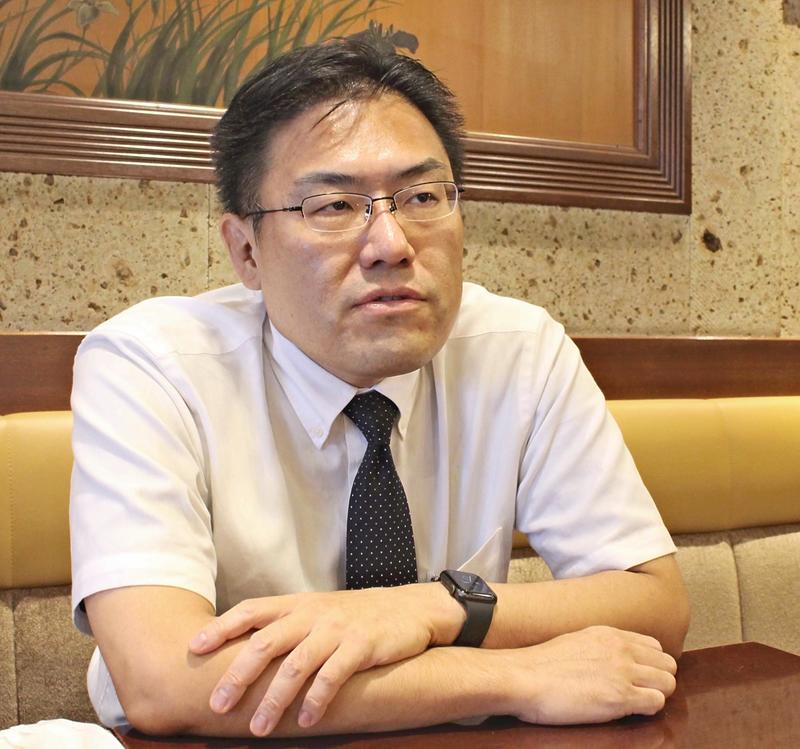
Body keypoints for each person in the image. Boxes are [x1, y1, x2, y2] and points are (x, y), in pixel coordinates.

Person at [69, 39, 689, 739]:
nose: (392, 243)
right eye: (335, 205)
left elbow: (655, 604)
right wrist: (514, 676)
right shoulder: (151, 365)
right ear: (246, 251)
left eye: (422, 197)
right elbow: (164, 681)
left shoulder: (518, 349)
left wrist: (428, 608)